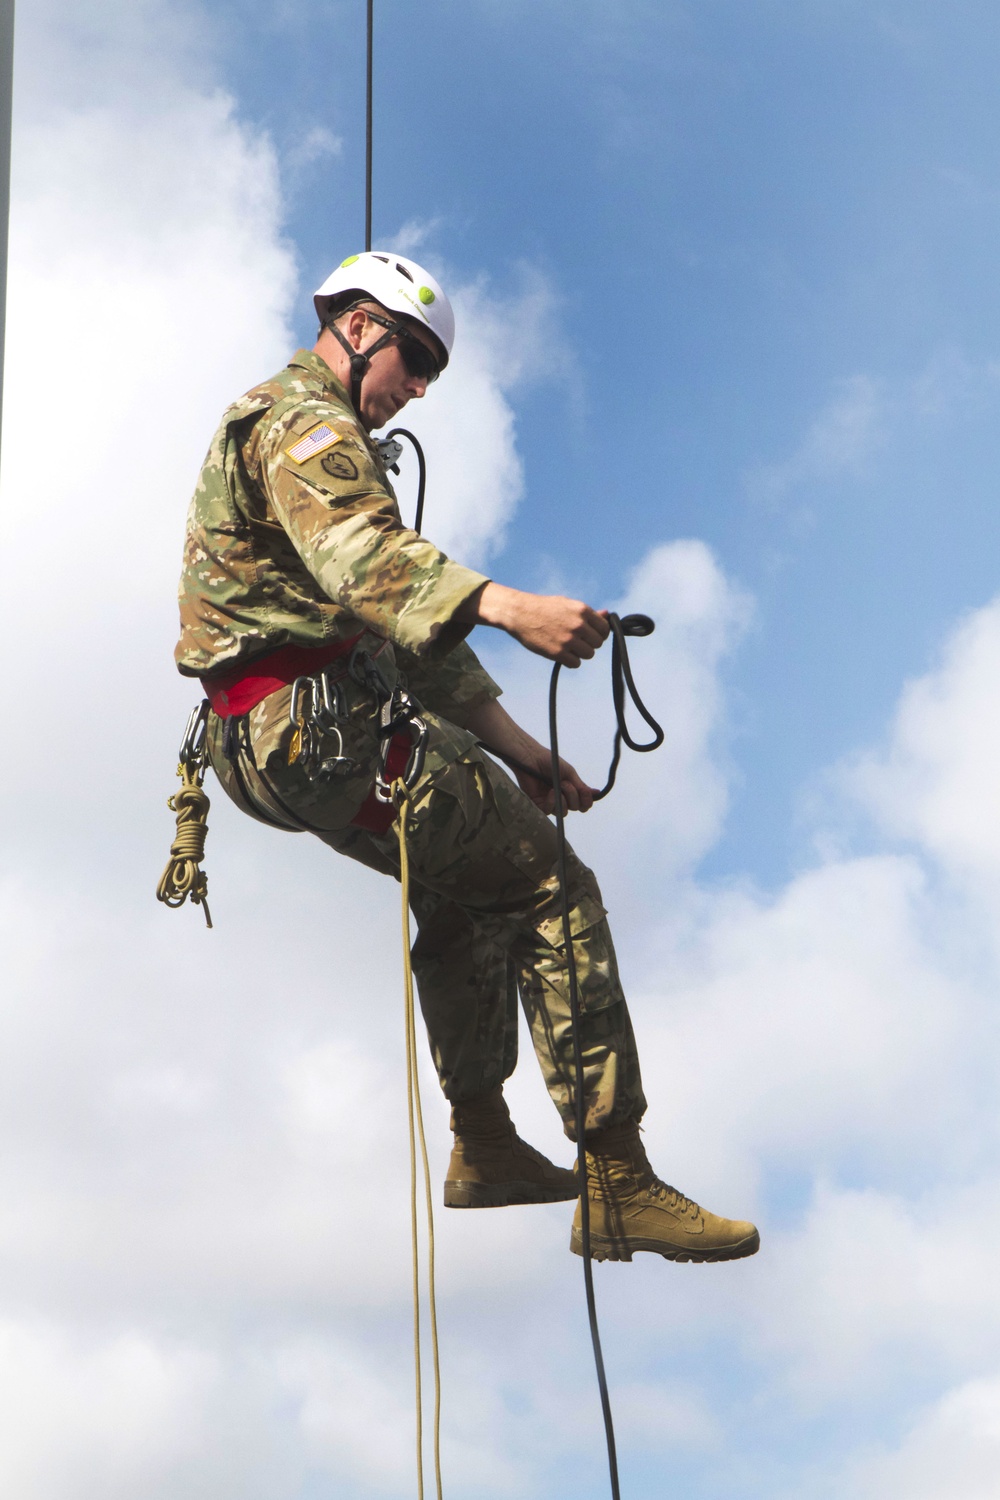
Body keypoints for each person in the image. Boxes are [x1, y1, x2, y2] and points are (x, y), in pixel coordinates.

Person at [174, 251, 759, 1264]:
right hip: (315, 733)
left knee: (468, 885)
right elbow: (371, 565)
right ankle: (616, 1178)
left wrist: (525, 755)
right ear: (357, 327)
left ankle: (484, 1145)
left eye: (433, 372)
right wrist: (511, 607)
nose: (419, 388)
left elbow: (399, 637)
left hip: (275, 741)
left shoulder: (302, 429)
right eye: (413, 356)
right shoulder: (308, 425)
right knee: (549, 885)